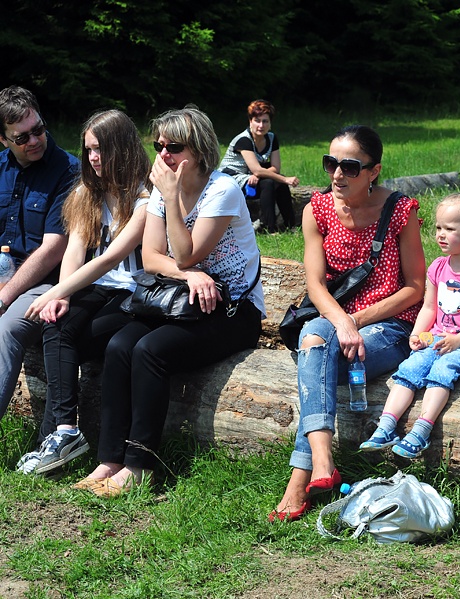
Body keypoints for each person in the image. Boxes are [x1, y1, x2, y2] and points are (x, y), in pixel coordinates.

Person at [74, 106, 265, 497]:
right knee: (119, 345)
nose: (163, 156)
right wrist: (188, 274)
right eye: (159, 146)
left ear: (197, 150)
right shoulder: (162, 191)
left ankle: (140, 466)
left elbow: (185, 252)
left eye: (173, 147)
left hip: (232, 310)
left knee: (149, 351)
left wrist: (174, 199)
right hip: (181, 301)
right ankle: (109, 459)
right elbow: (152, 258)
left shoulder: (222, 190)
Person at [270, 125, 426, 522]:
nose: (337, 174)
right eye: (330, 164)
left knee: (315, 358)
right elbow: (316, 286)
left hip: (390, 326)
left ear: (374, 171)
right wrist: (342, 322)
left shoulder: (401, 212)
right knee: (315, 338)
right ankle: (322, 463)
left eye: (350, 167)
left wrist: (355, 320)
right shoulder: (316, 209)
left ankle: (300, 475)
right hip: (334, 322)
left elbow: (416, 288)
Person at [15, 110, 151, 476]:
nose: (94, 158)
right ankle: (64, 431)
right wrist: (62, 296)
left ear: (122, 149)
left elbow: (110, 258)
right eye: (89, 149)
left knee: (80, 335)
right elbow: (75, 247)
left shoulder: (145, 197)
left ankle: (53, 434)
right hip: (97, 288)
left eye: (102, 150)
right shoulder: (86, 193)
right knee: (57, 324)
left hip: (135, 294)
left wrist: (57, 289)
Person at [359, 194, 460, 459]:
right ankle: (387, 426)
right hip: (437, 338)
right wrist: (417, 333)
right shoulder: (438, 267)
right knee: (410, 367)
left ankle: (421, 430)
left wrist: (458, 341)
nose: (441, 234)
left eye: (450, 228)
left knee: (442, 369)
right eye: (438, 227)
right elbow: (429, 308)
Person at [0, 86, 80, 421]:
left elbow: (53, 249)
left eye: (38, 130)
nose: (34, 141)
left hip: (44, 282)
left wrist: (4, 297)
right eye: (22, 137)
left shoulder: (69, 170)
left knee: (5, 331)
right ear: (3, 140)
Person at [217, 100, 298, 232]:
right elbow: (257, 169)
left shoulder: (272, 138)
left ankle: (291, 225)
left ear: (270, 123)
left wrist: (259, 174)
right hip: (231, 179)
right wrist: (285, 179)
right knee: (270, 182)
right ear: (250, 121)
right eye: (257, 121)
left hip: (251, 175)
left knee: (278, 183)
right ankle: (269, 228)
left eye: (265, 121)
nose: (261, 125)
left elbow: (275, 168)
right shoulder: (244, 140)